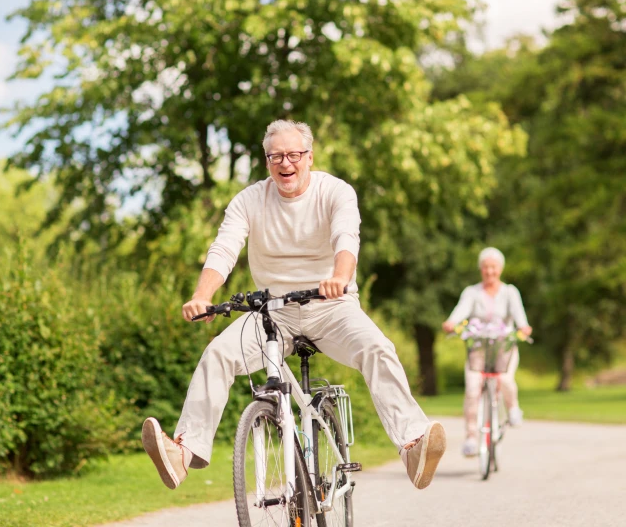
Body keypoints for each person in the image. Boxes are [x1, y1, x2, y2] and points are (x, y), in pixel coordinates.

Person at [141, 120, 446, 491]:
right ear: (267, 161)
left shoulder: (335, 191)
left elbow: (346, 237)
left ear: (309, 157)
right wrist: (202, 296)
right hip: (272, 313)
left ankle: (413, 445)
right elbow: (224, 249)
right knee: (217, 353)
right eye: (276, 157)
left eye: (293, 155)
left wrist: (339, 276)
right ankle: (183, 453)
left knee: (378, 348)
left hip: (332, 306)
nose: (285, 163)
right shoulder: (249, 200)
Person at [441, 247, 532, 457]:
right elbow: (460, 311)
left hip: (504, 348)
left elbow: (520, 318)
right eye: (485, 268)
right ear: (481, 269)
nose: (489, 272)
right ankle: (471, 438)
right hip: (479, 349)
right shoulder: (472, 292)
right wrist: (451, 323)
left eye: (493, 267)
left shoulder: (510, 292)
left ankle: (513, 409)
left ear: (500, 269)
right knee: (472, 389)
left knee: (505, 379)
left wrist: (523, 328)